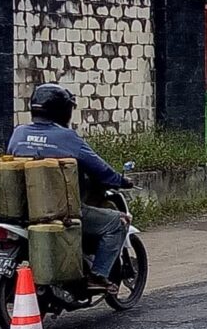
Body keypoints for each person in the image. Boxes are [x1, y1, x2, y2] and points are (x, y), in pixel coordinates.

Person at [8, 84, 133, 294]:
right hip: (62, 211)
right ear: (63, 110)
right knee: (118, 222)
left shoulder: (18, 133)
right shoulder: (67, 138)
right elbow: (100, 169)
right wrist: (121, 180)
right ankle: (98, 276)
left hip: (22, 211)